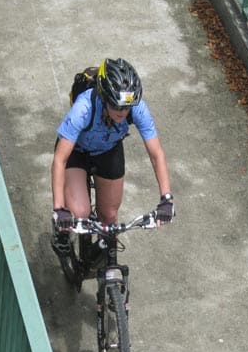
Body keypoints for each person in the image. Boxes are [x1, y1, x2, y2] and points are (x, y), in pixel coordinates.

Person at [51, 58, 174, 258]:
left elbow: (156, 153)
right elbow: (59, 159)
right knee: (79, 212)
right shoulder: (83, 108)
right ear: (104, 97)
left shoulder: (137, 108)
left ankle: (106, 261)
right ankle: (61, 233)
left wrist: (166, 199)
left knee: (109, 217)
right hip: (76, 152)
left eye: (127, 107)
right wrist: (59, 209)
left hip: (108, 150)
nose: (123, 112)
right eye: (117, 106)